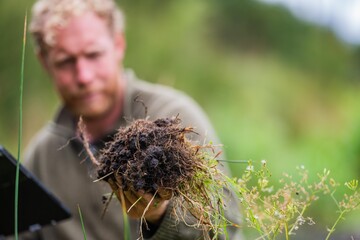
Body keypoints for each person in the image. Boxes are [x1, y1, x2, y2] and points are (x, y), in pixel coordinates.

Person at [20, 0, 242, 239]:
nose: (83, 76)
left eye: (93, 54)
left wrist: (159, 215)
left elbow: (225, 229)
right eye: (65, 61)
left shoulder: (173, 120)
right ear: (44, 62)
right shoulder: (41, 158)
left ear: (118, 45)